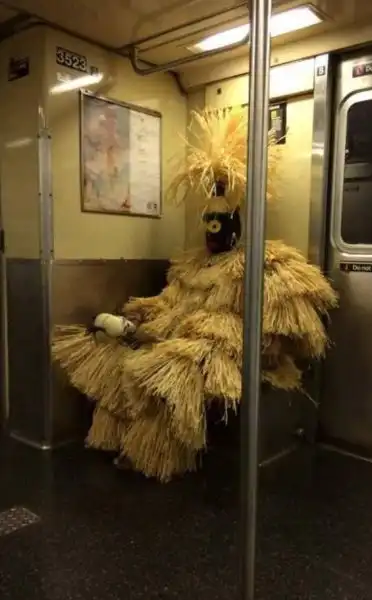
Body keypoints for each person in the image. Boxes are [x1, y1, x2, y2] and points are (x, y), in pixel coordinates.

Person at [52, 108, 338, 482]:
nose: (212, 231)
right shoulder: (191, 265)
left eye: (220, 223)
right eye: (208, 223)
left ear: (234, 226)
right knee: (119, 352)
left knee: (172, 368)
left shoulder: (263, 263)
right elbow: (170, 300)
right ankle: (113, 438)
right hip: (178, 334)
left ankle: (152, 454)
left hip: (220, 348)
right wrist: (143, 313)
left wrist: (270, 342)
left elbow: (286, 319)